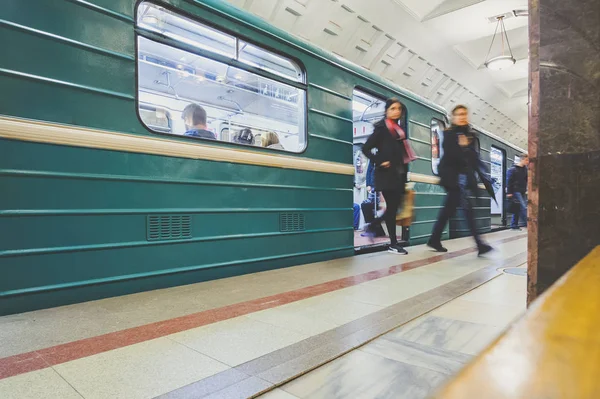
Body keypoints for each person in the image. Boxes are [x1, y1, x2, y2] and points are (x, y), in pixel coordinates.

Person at [428, 105, 493, 256]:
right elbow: (451, 155)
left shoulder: (469, 134)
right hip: (453, 178)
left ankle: (434, 238)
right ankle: (480, 245)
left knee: (448, 211)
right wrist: (463, 148)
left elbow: (472, 159)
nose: (462, 117)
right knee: (466, 210)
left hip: (462, 178)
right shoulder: (449, 134)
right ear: (453, 118)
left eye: (464, 114)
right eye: (459, 114)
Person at [362, 98, 417, 255]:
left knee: (394, 208)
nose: (396, 111)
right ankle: (393, 243)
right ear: (386, 111)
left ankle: (373, 225)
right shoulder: (381, 129)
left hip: (398, 175)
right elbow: (366, 149)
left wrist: (405, 176)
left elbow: (401, 155)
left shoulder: (398, 130)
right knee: (392, 209)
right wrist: (379, 161)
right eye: (393, 108)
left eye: (399, 108)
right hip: (386, 175)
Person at [507, 153, 529, 230]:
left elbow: (527, 180)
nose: (527, 162)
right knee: (523, 207)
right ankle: (528, 225)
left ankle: (514, 225)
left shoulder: (525, 170)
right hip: (515, 191)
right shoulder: (513, 169)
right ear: (522, 159)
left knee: (517, 207)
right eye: (526, 160)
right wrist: (509, 192)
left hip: (522, 191)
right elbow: (509, 181)